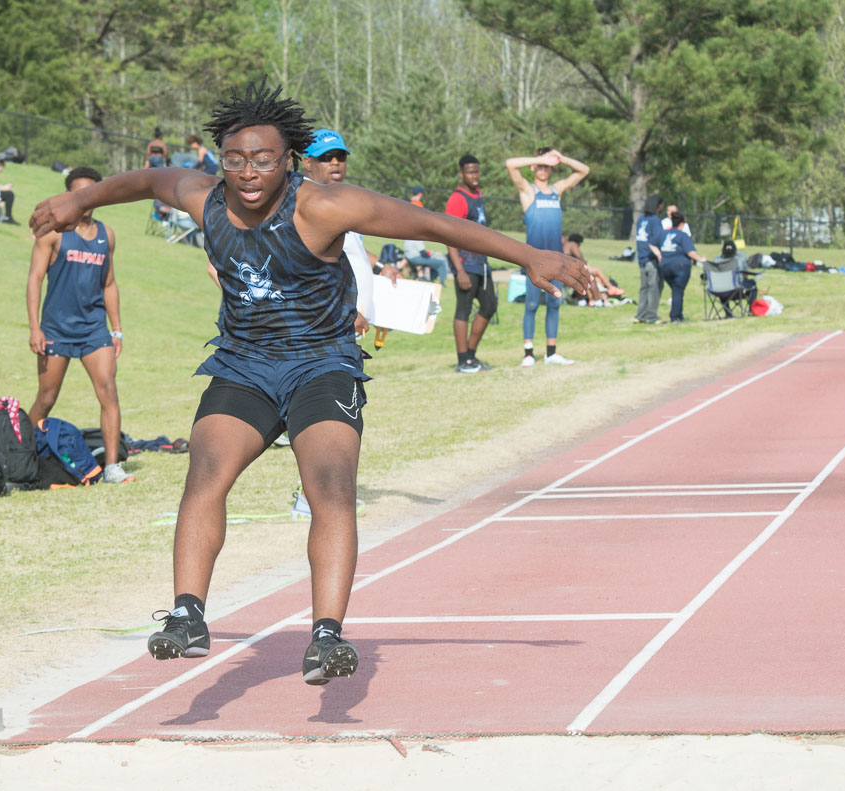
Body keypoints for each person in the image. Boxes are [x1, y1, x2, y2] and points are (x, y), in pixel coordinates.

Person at [30, 76, 594, 686]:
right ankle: (188, 616)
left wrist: (530, 256)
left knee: (329, 487)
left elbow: (431, 226)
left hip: (321, 364)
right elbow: (140, 181)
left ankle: (326, 635)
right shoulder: (203, 196)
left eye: (263, 160)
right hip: (243, 363)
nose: (248, 173)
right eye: (236, 160)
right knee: (205, 473)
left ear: (289, 162)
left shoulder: (324, 205)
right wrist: (77, 204)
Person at [26, 167, 133, 484]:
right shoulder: (53, 233)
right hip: (56, 330)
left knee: (109, 392)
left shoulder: (106, 235)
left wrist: (116, 330)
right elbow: (34, 280)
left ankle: (112, 468)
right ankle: (21, 454)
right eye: (77, 193)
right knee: (46, 398)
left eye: (90, 192)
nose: (84, 199)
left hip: (94, 331)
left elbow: (109, 284)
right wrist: (35, 328)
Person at [301, 128, 398, 342]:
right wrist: (344, 313)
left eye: (340, 156)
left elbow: (352, 249)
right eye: (326, 157)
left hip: (349, 326)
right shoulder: (308, 205)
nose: (335, 162)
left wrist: (382, 267)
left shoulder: (341, 202)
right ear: (307, 162)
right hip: (329, 329)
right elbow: (306, 272)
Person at [506, 147, 590, 367]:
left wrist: (561, 158)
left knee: (554, 305)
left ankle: (551, 353)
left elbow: (584, 171)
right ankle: (528, 354)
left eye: (547, 166)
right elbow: (510, 164)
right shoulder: (528, 190)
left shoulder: (556, 190)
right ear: (533, 166)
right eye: (539, 166)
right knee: (532, 306)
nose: (543, 169)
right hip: (534, 260)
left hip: (555, 260)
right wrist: (539, 158)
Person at [445, 154, 497, 373]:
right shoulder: (457, 199)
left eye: (477, 171)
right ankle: (462, 360)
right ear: (461, 174)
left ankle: (471, 356)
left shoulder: (478, 194)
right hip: (466, 266)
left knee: (489, 306)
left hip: (482, 265)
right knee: (463, 310)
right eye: (470, 172)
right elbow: (449, 237)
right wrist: (459, 271)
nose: (475, 176)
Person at [657, 212, 707, 323]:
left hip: (664, 266)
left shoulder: (663, 234)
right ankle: (675, 317)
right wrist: (701, 259)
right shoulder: (683, 236)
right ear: (682, 224)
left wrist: (658, 255)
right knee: (678, 291)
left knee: (675, 290)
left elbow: (652, 244)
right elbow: (690, 252)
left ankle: (679, 314)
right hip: (680, 267)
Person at [563, 234, 623, 305]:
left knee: (596, 277)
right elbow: (580, 258)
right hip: (570, 273)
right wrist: (585, 263)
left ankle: (599, 299)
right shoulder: (572, 244)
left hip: (568, 271)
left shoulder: (566, 246)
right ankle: (600, 299)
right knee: (592, 277)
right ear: (578, 242)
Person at [634, 194, 665, 324]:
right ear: (658, 206)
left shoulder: (641, 219)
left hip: (641, 257)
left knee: (644, 287)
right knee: (654, 287)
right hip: (651, 258)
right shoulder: (655, 220)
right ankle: (651, 316)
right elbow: (657, 239)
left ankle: (640, 315)